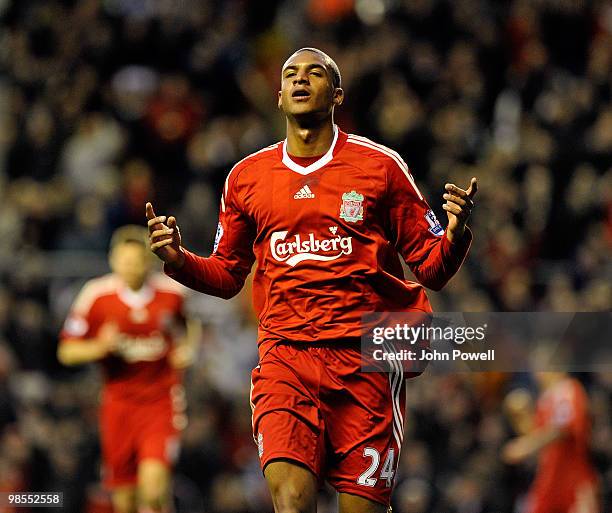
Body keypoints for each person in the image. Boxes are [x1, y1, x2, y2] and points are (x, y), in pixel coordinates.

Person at [147, 47, 477, 513]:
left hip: (366, 359)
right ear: (279, 97)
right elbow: (227, 275)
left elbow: (432, 269)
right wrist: (179, 260)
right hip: (286, 357)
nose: (300, 79)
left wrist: (457, 234)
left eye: (314, 72)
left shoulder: (380, 167)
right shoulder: (247, 177)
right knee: (292, 500)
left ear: (337, 94)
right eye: (290, 74)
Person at [58, 225, 199, 513]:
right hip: (118, 404)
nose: (130, 267)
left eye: (136, 261)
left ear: (148, 261)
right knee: (124, 501)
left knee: (154, 488)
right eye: (124, 260)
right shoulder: (96, 296)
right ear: (112, 260)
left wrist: (187, 349)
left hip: (160, 402)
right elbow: (67, 352)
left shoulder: (171, 294)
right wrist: (100, 347)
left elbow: (191, 324)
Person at [503, 373, 600, 513]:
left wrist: (527, 446)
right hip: (549, 479)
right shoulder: (545, 398)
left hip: (573, 479)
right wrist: (522, 417)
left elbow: (562, 429)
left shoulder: (567, 389)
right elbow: (538, 433)